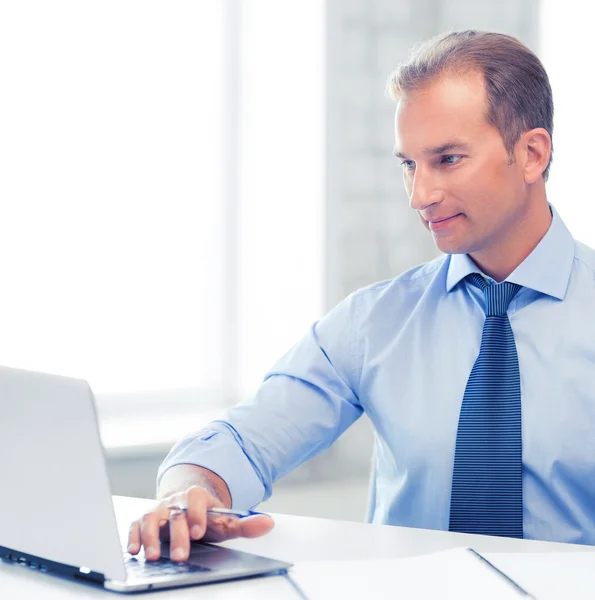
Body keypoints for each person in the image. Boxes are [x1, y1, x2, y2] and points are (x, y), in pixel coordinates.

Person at [128, 29, 595, 562]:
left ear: (531, 154)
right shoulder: (375, 321)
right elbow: (243, 439)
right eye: (408, 165)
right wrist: (189, 496)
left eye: (447, 159)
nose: (420, 195)